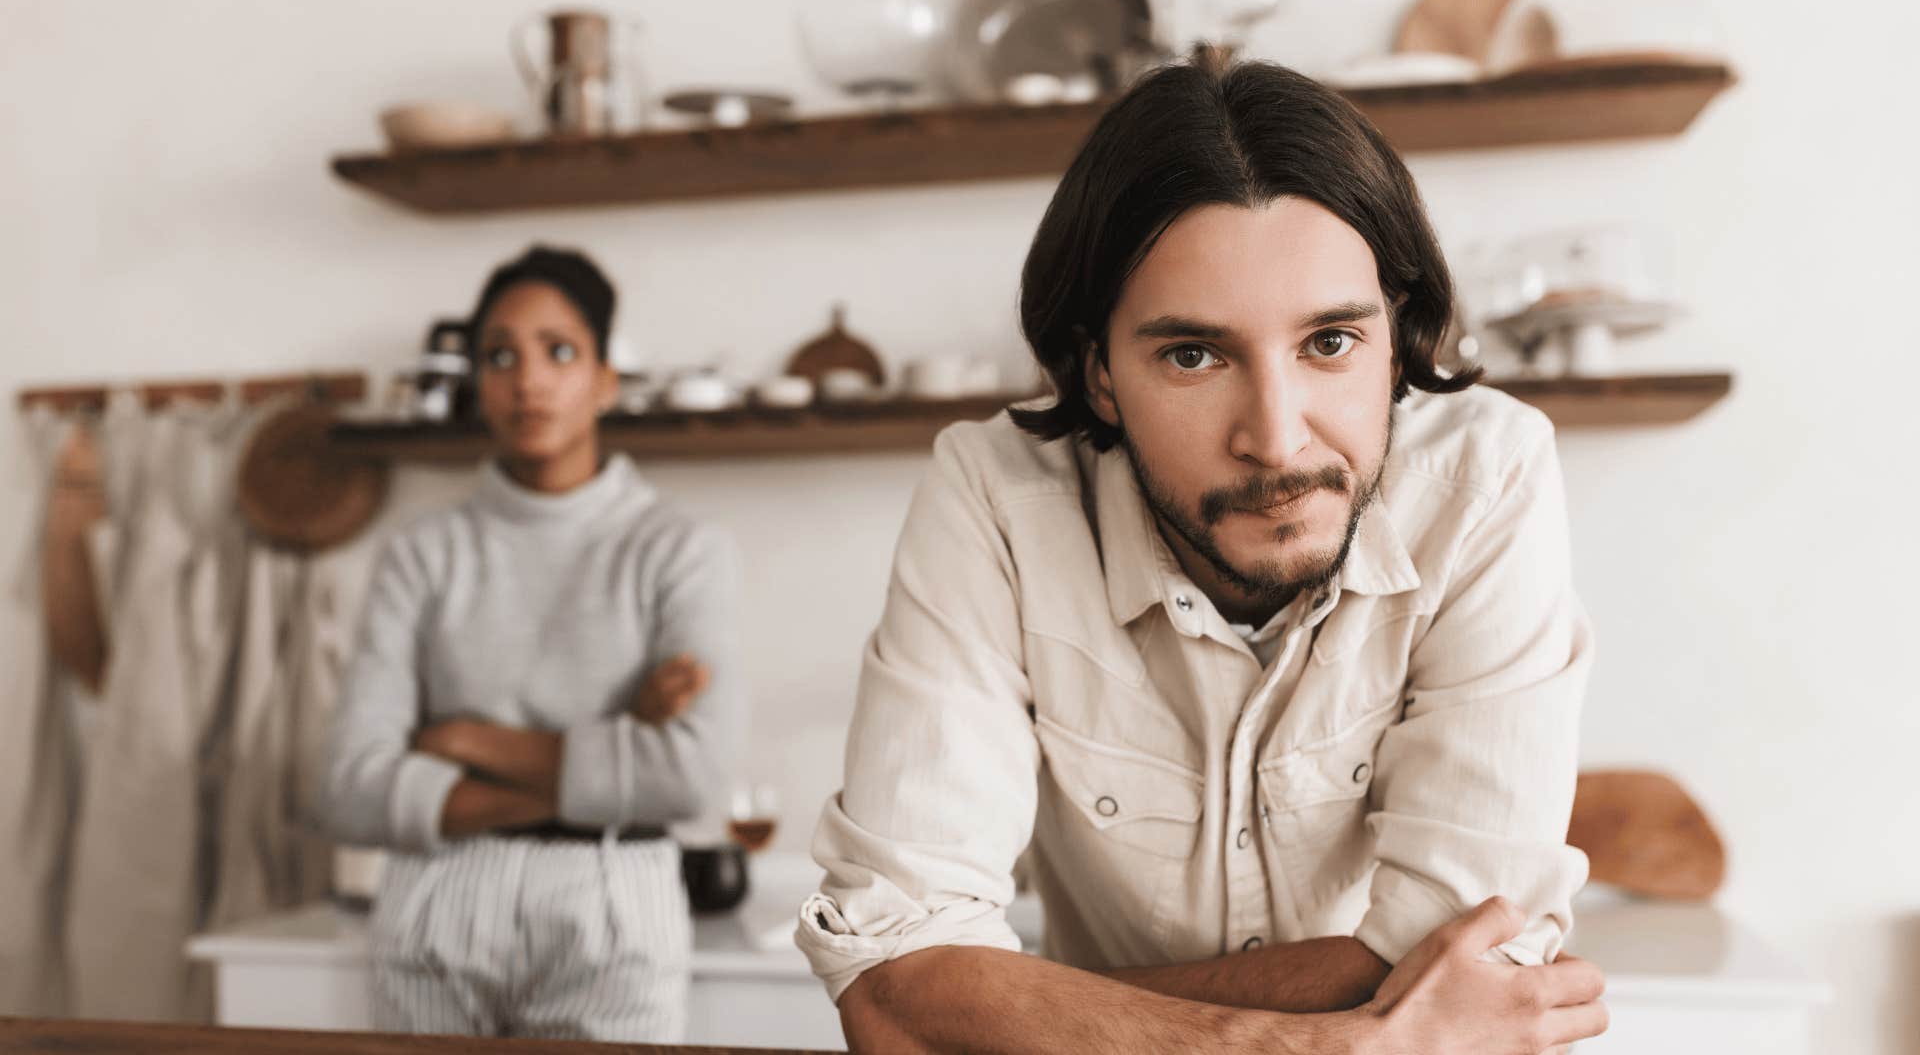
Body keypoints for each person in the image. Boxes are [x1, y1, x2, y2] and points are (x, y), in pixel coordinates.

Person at [795, 57, 1607, 1054]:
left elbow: (1472, 963)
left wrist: (1036, 1008)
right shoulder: (996, 496)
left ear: (1395, 340)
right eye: (1193, 355)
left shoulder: (1486, 477)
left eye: (1330, 343)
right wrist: (1330, 1042)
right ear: (1098, 373)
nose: (1275, 439)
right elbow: (892, 987)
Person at [321, 245, 740, 1041]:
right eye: (500, 356)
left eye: (560, 350)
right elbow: (349, 785)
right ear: (478, 384)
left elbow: (692, 777)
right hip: (433, 901)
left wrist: (462, 739)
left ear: (605, 379)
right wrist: (616, 750)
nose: (529, 380)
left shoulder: (680, 549)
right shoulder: (422, 552)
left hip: (614, 896)